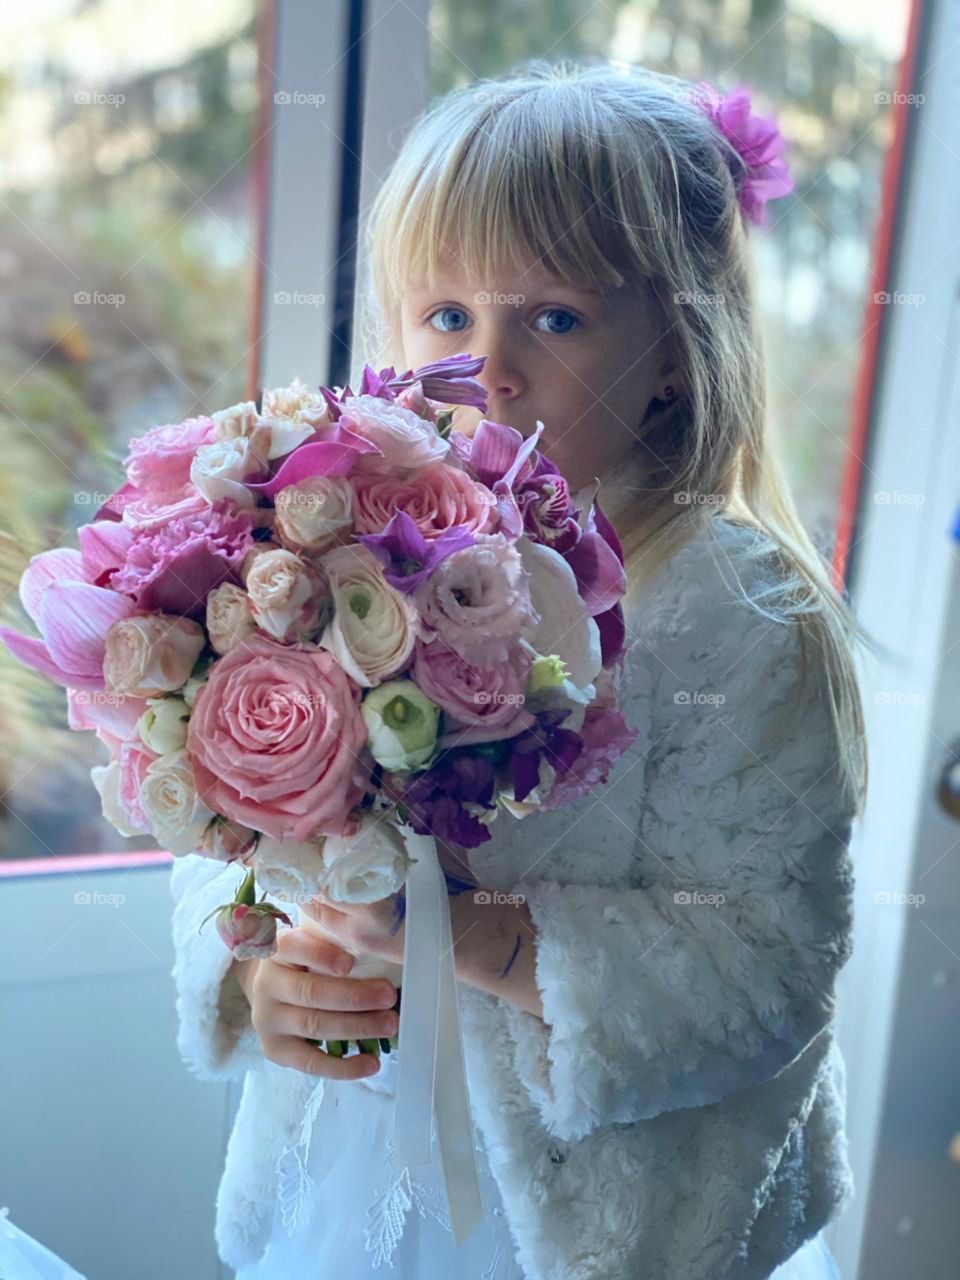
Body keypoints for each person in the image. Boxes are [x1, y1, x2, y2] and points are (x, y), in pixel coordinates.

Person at [170, 58, 873, 1279]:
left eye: (554, 318)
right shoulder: (347, 541)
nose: (487, 367)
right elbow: (234, 813)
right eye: (448, 315)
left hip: (597, 1215)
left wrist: (467, 937)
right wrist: (257, 963)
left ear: (674, 349)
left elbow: (765, 967)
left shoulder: (736, 614)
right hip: (356, 1160)